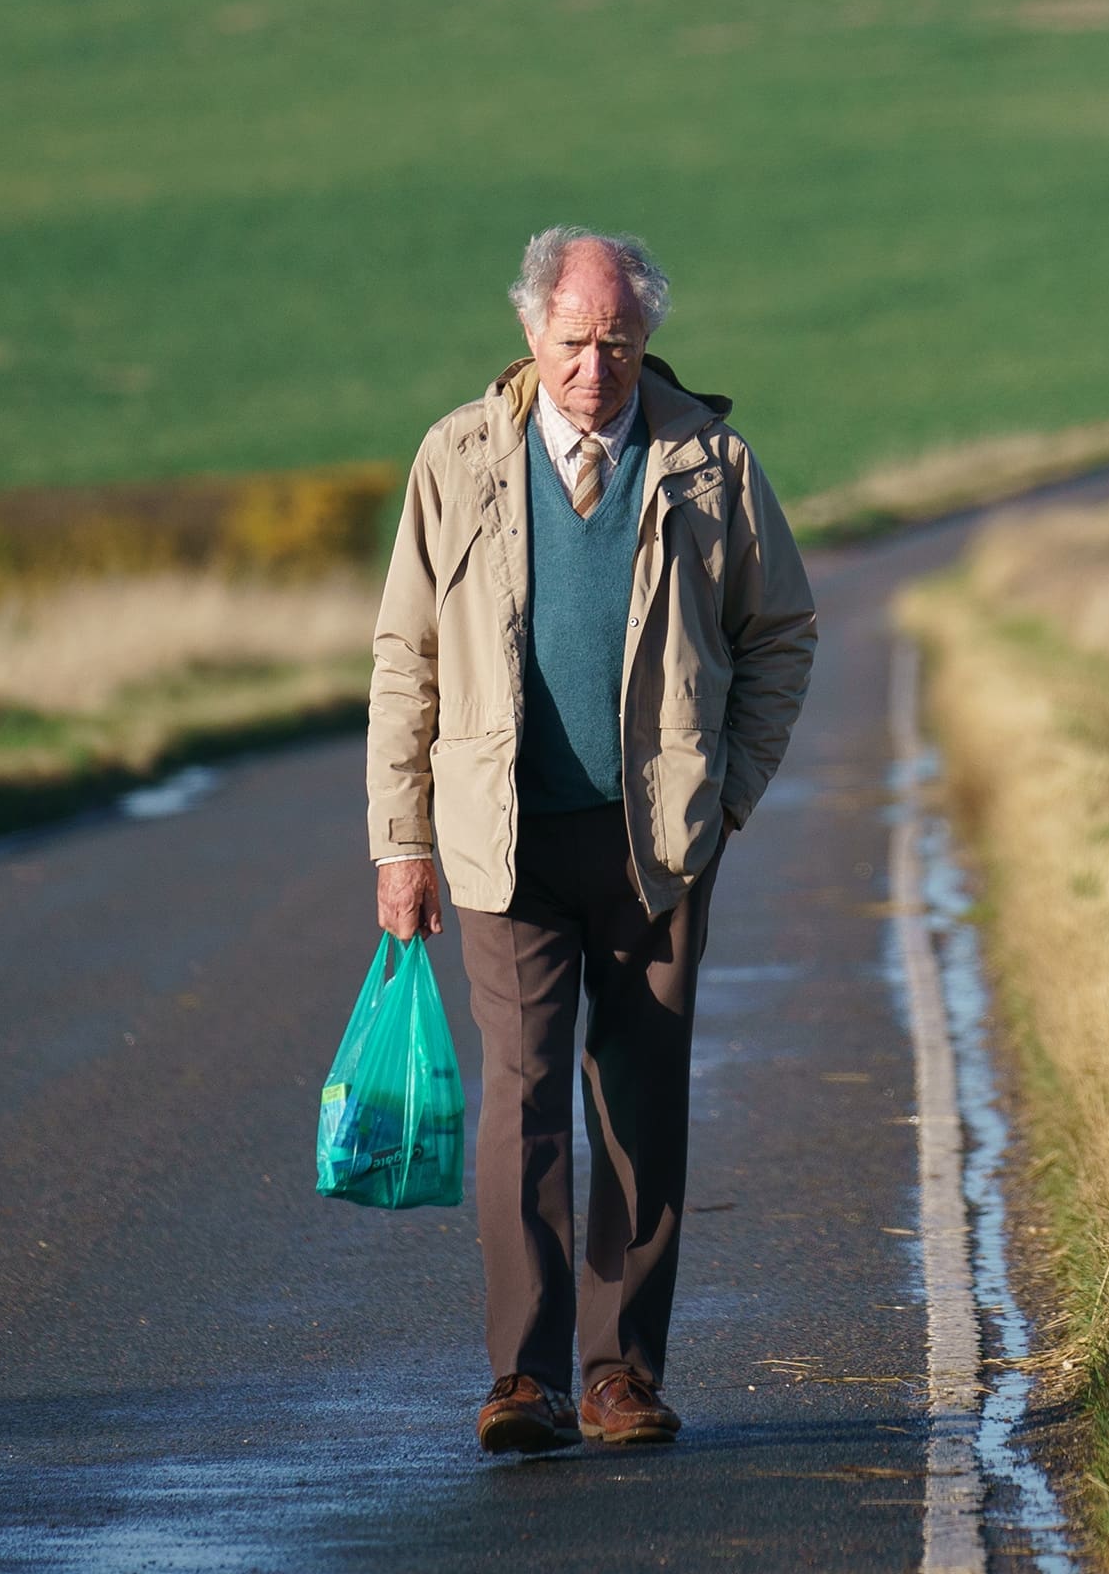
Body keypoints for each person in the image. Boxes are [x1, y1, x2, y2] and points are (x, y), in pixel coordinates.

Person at [365, 227, 818, 1454]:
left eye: (618, 343)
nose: (594, 369)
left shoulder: (712, 463)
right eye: (573, 342)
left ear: (646, 340)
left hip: (656, 847)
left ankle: (621, 1375)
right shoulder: (456, 457)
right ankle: (525, 1380)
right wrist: (398, 843)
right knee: (521, 1105)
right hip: (503, 843)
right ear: (531, 335)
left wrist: (725, 797)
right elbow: (405, 658)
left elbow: (781, 634)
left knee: (638, 1105)